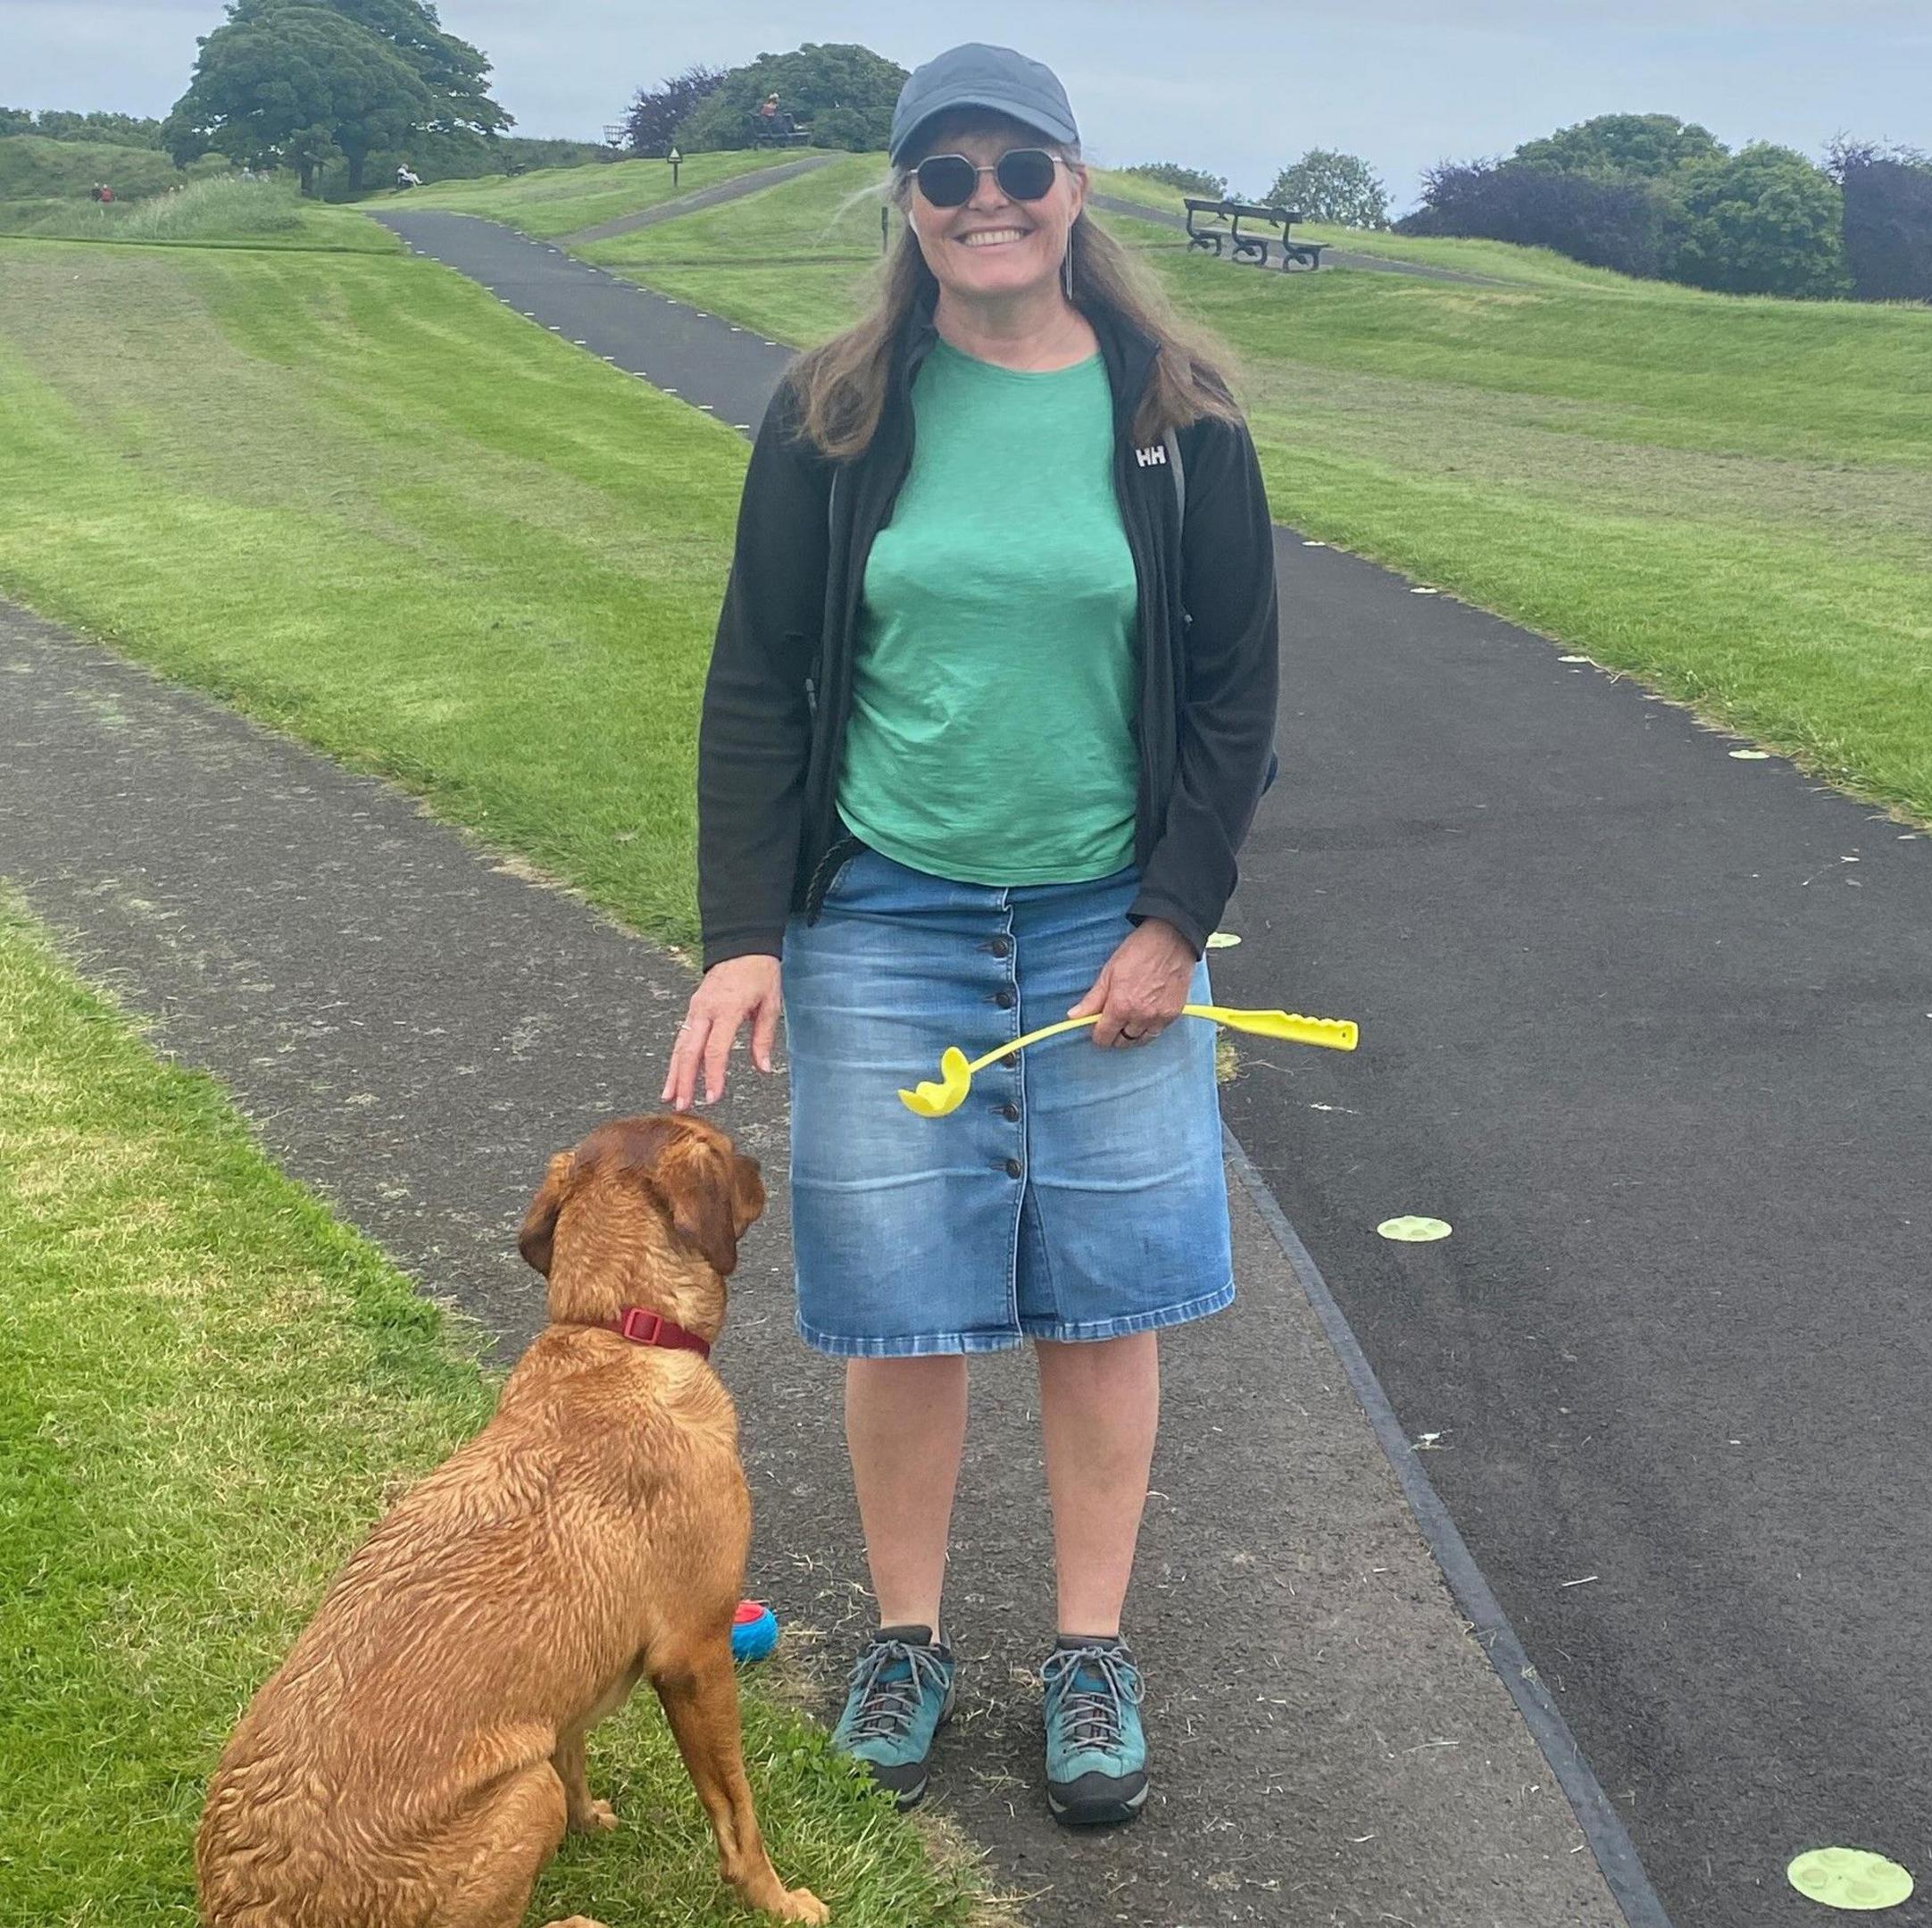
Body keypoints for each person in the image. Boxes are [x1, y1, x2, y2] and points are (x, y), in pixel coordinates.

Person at [663, 42, 1278, 1829]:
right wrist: (745, 931)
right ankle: (910, 1638)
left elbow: (1236, 698)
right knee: (905, 1312)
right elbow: (757, 680)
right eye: (950, 176)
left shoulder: (1180, 414)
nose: (988, 202)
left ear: (1077, 186)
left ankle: (1090, 1651)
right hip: (885, 912)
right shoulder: (842, 407)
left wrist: (1174, 921)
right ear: (908, 206)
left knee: (1105, 1297)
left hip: (1111, 917)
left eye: (1022, 167)